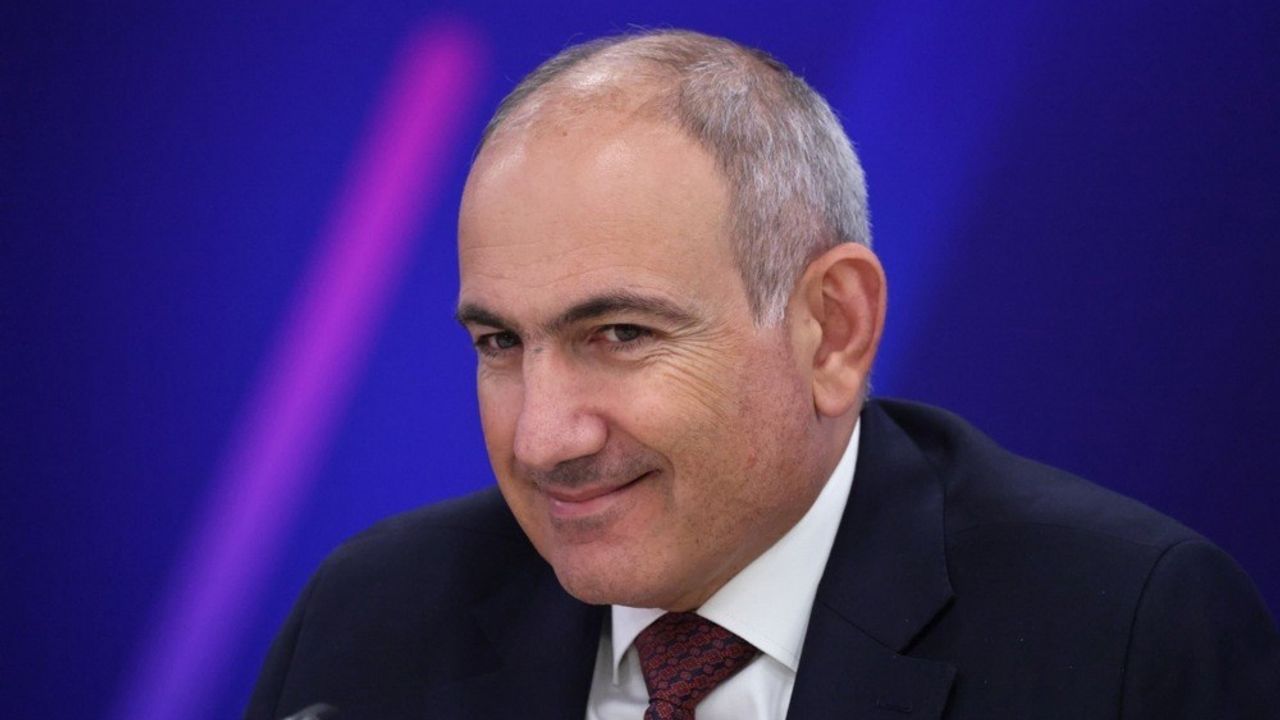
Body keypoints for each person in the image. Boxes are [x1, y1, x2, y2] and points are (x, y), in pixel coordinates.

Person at [246, 30, 1280, 720]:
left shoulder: (1125, 639)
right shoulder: (368, 624)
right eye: (499, 345)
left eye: (619, 333)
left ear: (833, 330)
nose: (542, 439)